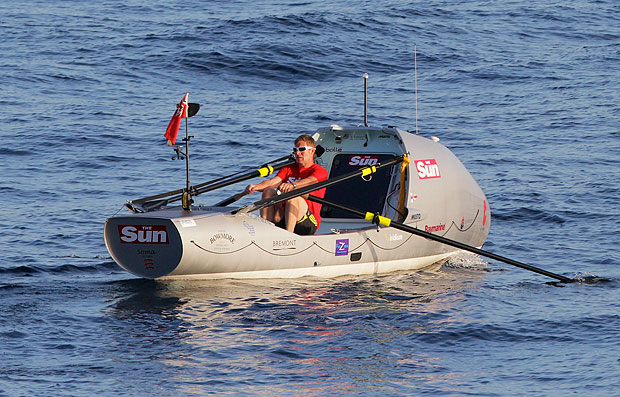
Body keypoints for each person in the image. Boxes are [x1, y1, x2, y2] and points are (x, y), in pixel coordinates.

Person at [245, 134, 328, 235]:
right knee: (268, 191)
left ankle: (289, 237)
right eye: (295, 150)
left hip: (307, 222)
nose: (297, 153)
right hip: (284, 216)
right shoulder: (289, 168)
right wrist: (255, 187)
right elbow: (272, 182)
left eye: (302, 149)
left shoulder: (320, 171)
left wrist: (293, 185)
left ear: (312, 151)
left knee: (293, 197)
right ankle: (266, 232)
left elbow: (310, 181)